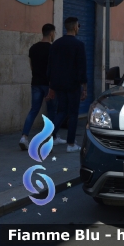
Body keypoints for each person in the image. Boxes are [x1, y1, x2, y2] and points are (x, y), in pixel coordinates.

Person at [19, 24, 66, 150]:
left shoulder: (33, 48)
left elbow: (31, 67)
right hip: (48, 84)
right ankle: (51, 137)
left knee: (33, 110)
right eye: (54, 33)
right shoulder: (52, 49)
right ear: (51, 33)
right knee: (51, 111)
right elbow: (55, 69)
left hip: (36, 83)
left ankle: (24, 137)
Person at [46, 17, 87, 153]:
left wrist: (51, 86)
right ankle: (70, 143)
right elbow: (82, 67)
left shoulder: (56, 44)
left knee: (62, 111)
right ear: (75, 27)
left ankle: (50, 135)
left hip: (59, 84)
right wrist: (84, 87)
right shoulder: (79, 45)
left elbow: (50, 66)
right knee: (73, 113)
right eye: (78, 26)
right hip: (73, 84)